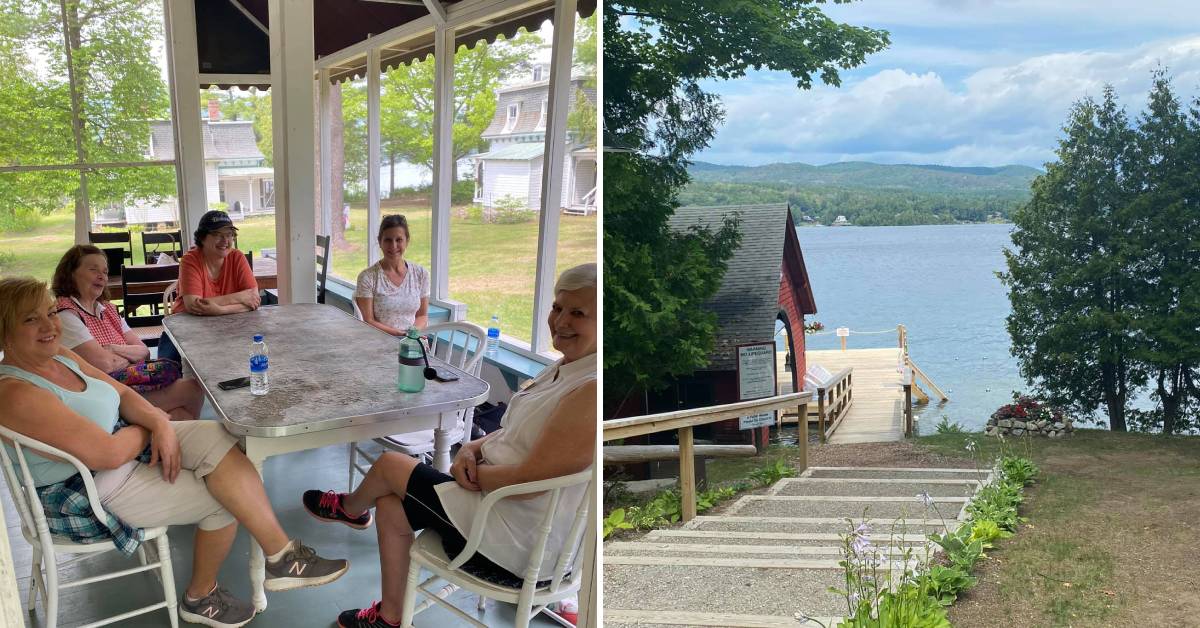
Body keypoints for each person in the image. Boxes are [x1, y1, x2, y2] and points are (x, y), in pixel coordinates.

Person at [0, 277, 349, 628]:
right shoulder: (16, 392)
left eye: (50, 313)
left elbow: (121, 393)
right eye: (30, 320)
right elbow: (106, 454)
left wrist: (160, 423)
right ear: (4, 331)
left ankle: (281, 556)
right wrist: (153, 427)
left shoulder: (60, 356)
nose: (49, 326)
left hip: (122, 449)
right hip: (88, 489)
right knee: (225, 498)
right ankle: (199, 597)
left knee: (217, 435)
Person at [305, 263, 597, 628]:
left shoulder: (589, 389)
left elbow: (529, 481)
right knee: (390, 504)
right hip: (494, 508)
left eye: (578, 313)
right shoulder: (566, 367)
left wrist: (472, 477)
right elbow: (514, 432)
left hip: (512, 544)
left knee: (391, 465)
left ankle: (350, 509)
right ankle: (391, 617)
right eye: (557, 307)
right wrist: (470, 451)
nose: (560, 321)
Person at [50, 244, 205, 420]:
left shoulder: (107, 309)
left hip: (131, 385)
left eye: (105, 272)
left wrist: (111, 349)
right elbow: (104, 365)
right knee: (191, 390)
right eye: (93, 270)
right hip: (105, 396)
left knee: (179, 413)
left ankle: (162, 439)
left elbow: (144, 351)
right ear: (70, 274)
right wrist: (124, 356)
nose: (101, 276)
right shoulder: (66, 315)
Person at [173, 209, 260, 316]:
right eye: (217, 234)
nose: (225, 240)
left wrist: (220, 310)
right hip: (187, 325)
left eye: (229, 234)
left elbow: (254, 299)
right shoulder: (190, 260)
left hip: (228, 324)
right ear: (202, 238)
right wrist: (239, 297)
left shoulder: (237, 257)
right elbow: (194, 306)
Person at [355, 215, 429, 335]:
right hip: (380, 341)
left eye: (399, 240)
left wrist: (412, 335)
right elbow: (368, 320)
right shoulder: (367, 277)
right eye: (388, 240)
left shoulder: (421, 274)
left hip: (413, 340)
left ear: (407, 241)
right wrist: (399, 334)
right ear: (380, 242)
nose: (393, 246)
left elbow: (422, 315)